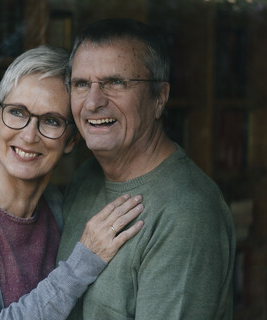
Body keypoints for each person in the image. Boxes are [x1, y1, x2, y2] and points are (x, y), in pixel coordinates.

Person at [0, 45, 145, 320]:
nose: (29, 136)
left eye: (52, 121)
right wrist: (83, 262)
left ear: (71, 139)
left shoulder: (55, 205)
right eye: (18, 113)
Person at [56, 18, 236, 319]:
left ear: (159, 98)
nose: (93, 102)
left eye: (116, 82)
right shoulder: (85, 177)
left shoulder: (187, 213)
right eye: (81, 84)